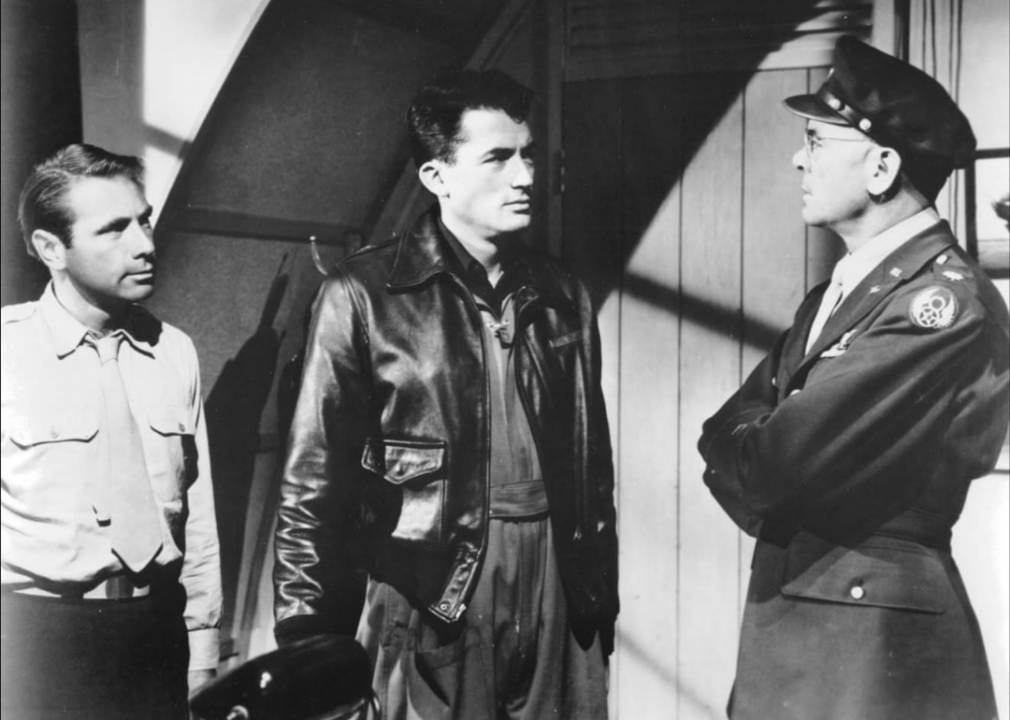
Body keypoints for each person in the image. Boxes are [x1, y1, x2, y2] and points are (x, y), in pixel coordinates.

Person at [274, 69, 618, 719]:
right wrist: (309, 647)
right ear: (437, 176)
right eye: (498, 158)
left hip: (558, 591)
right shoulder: (362, 295)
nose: (524, 176)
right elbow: (311, 487)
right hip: (433, 590)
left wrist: (599, 605)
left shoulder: (562, 294)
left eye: (528, 155)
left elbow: (591, 470)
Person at [698, 36, 1009, 720]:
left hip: (868, 648)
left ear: (881, 167)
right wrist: (753, 442)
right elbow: (723, 433)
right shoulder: (841, 296)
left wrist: (758, 439)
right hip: (810, 630)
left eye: (816, 140)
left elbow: (768, 466)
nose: (798, 158)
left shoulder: (940, 306)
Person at [1, 143, 222, 720]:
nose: (145, 244)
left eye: (144, 221)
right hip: (35, 639)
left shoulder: (173, 350)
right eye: (114, 229)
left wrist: (202, 645)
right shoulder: (6, 351)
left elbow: (197, 513)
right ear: (51, 248)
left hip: (155, 630)